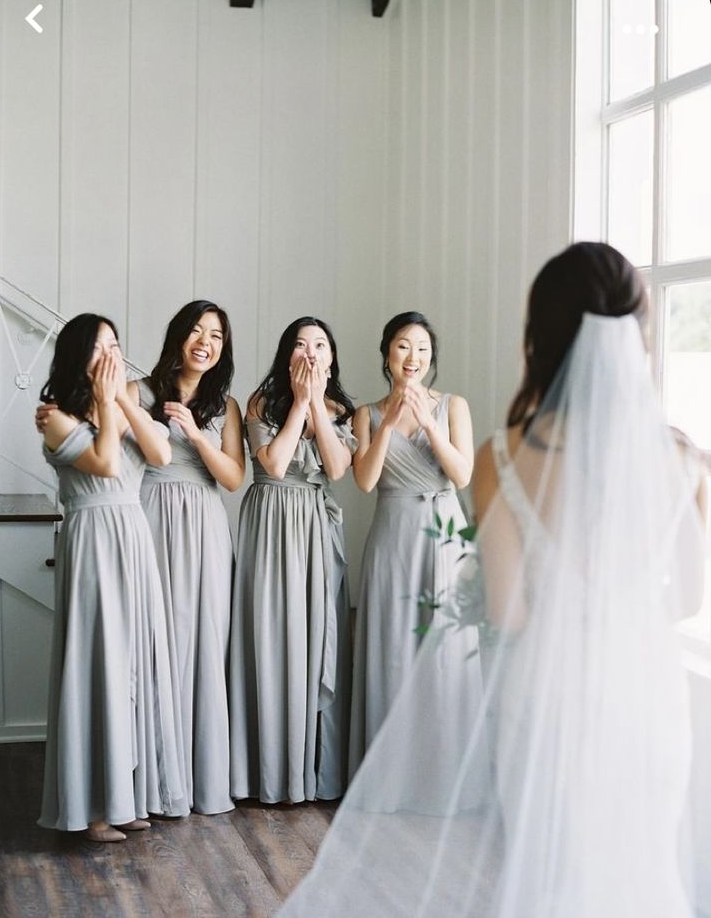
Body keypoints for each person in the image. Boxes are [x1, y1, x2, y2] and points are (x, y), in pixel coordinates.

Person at [274, 243, 708, 917]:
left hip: (550, 698)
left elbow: (506, 611)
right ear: (639, 332)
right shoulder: (685, 456)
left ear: (541, 336)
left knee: (552, 874)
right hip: (649, 696)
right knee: (642, 864)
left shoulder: (503, 455)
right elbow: (687, 598)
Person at [37, 314, 189, 843]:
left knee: (134, 666)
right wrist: (109, 403)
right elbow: (104, 461)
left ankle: (126, 798)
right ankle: (92, 808)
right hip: (93, 541)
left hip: (132, 537)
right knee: (97, 665)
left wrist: (124, 400)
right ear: (79, 356)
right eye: (101, 349)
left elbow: (163, 454)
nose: (112, 357)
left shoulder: (124, 405)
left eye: (117, 347)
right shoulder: (54, 417)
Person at [348, 311, 487, 783]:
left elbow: (463, 474)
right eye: (405, 346)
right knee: (392, 647)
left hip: (445, 533)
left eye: (424, 348)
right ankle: (389, 777)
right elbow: (365, 481)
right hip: (393, 534)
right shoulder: (365, 414)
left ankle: (443, 776)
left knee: (445, 653)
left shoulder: (453, 405)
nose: (414, 356)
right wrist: (387, 424)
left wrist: (429, 423)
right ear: (387, 352)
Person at [229, 316, 356, 804]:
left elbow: (339, 467)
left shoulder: (344, 410)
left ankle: (313, 771)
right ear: (288, 355)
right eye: (301, 345)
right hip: (270, 519)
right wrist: (301, 403)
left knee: (314, 633)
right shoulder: (263, 403)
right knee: (270, 633)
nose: (310, 353)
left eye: (320, 345)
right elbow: (277, 463)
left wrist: (319, 407)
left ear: (331, 357)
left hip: (313, 525)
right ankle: (266, 771)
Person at [127, 300, 245, 815]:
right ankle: (150, 783)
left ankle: (199, 778)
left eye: (216, 336)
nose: (205, 342)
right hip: (151, 514)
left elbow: (234, 478)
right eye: (196, 331)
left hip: (206, 524)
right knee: (154, 643)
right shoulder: (140, 391)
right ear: (178, 336)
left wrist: (196, 434)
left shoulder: (228, 406)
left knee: (203, 640)